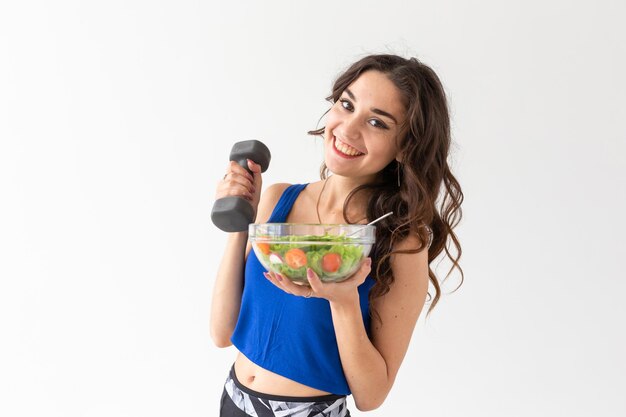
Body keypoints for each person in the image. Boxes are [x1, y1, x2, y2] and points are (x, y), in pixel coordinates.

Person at [210, 53, 464, 416]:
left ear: (406, 146)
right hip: (232, 402)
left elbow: (371, 396)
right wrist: (241, 227)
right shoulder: (278, 199)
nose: (347, 129)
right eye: (347, 104)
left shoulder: (401, 242)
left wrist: (343, 300)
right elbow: (222, 332)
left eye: (377, 122)